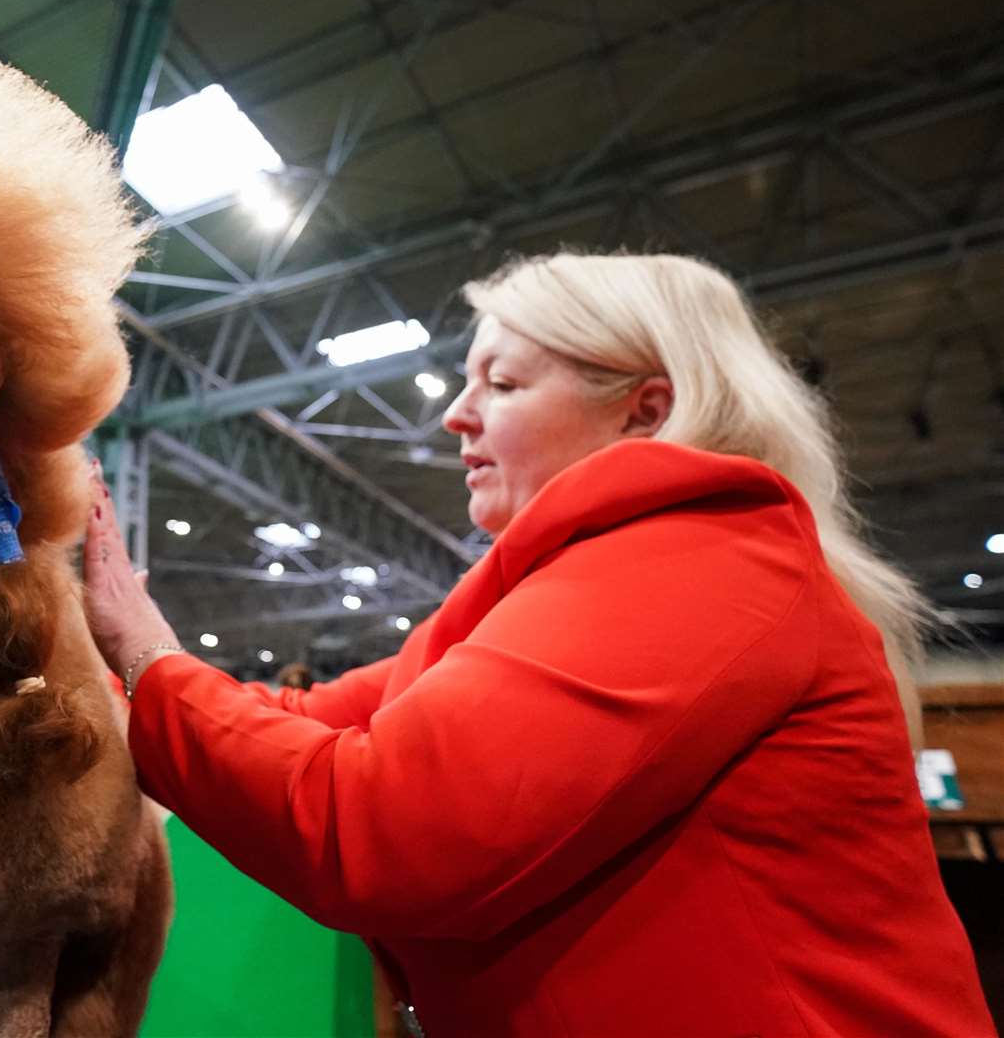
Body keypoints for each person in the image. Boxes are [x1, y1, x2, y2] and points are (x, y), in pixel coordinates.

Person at [82, 252, 996, 1037]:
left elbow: (382, 825)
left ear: (645, 411)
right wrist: (97, 659)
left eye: (505, 384)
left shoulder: (699, 556)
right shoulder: (552, 590)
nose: (455, 415)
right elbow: (303, 721)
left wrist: (147, 651)